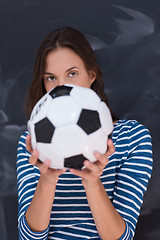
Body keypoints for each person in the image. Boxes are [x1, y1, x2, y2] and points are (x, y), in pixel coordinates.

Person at [17, 27, 153, 240]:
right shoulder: (34, 142)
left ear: (91, 75)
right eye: (51, 78)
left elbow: (122, 237)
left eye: (72, 74)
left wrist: (92, 183)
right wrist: (47, 181)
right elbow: (28, 237)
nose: (62, 86)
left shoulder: (132, 138)